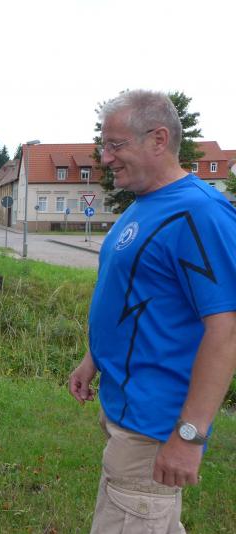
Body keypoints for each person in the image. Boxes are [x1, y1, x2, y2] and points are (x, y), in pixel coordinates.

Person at [68, 89, 236, 533]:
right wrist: (92, 359)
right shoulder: (143, 204)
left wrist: (189, 435)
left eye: (115, 145)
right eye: (104, 145)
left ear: (159, 139)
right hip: (126, 410)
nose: (105, 158)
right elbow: (131, 294)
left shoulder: (199, 213)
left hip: (155, 426)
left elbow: (227, 329)